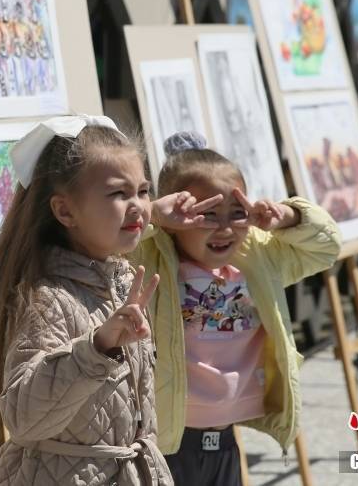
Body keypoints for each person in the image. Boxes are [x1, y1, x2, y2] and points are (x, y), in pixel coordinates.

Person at [0, 115, 197, 485]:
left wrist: (152, 214)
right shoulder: (48, 298)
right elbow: (23, 419)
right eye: (119, 193)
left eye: (143, 191)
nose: (136, 205)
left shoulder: (115, 275)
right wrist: (96, 348)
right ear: (65, 211)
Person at [129, 132, 342, 485]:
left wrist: (288, 217)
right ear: (177, 219)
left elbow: (326, 248)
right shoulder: (152, 258)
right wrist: (152, 214)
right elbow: (111, 246)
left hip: (225, 441)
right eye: (208, 215)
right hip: (166, 442)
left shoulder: (257, 257)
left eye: (237, 213)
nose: (225, 227)